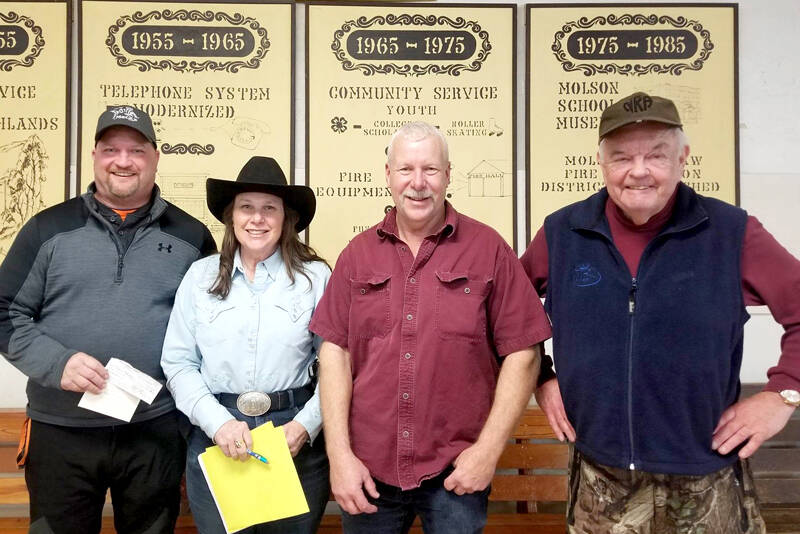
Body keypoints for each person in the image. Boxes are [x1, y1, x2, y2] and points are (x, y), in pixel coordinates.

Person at [521, 91, 800, 533]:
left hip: (706, 479)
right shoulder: (563, 233)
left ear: (682, 157)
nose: (638, 171)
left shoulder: (730, 232)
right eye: (621, 157)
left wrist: (783, 394)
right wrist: (540, 377)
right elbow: (507, 316)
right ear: (601, 163)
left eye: (656, 155)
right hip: (601, 481)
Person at [309, 122, 552, 534]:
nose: (418, 183)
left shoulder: (489, 249)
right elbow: (335, 352)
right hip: (368, 472)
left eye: (430, 170)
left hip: (456, 473)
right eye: (405, 170)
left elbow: (524, 352)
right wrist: (340, 456)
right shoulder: (357, 255)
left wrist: (487, 454)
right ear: (387, 175)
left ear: (448, 175)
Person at [0, 105, 216, 534]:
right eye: (110, 149)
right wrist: (57, 363)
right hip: (61, 432)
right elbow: (5, 312)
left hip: (154, 431)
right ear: (95, 156)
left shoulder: (192, 237)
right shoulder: (48, 228)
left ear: (155, 158)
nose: (123, 161)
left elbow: (214, 329)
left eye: (136, 150)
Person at [161, 156, 331, 534]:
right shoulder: (200, 276)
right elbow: (178, 362)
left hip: (293, 438)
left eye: (270, 208)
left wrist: (306, 425)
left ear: (286, 219)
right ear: (230, 217)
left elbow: (337, 365)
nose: (257, 218)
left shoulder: (316, 279)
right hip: (218, 434)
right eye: (246, 207)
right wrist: (217, 423)